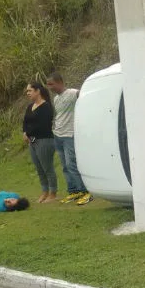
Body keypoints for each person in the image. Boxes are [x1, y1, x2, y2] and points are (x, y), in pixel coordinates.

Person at [46, 72, 93, 206]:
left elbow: (85, 94)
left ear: (60, 82)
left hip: (69, 135)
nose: (49, 87)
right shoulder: (56, 99)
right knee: (65, 166)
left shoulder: (72, 93)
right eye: (48, 85)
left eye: (51, 84)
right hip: (58, 135)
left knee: (72, 164)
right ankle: (73, 191)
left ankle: (85, 192)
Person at [23, 82, 58, 203]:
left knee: (47, 167)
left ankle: (53, 192)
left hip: (44, 140)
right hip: (32, 142)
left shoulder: (46, 107)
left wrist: (29, 133)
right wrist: (24, 133)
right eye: (27, 91)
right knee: (39, 168)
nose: (28, 93)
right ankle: (45, 191)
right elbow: (25, 122)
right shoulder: (30, 107)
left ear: (37, 91)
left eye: (30, 91)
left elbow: (43, 125)